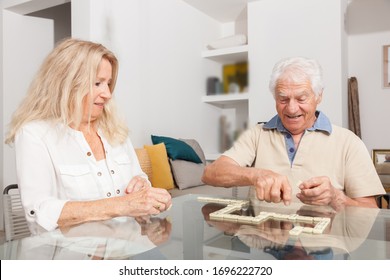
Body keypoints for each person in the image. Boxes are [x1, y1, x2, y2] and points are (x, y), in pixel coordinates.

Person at [5, 38, 172, 233]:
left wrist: (143, 185)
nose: (107, 94)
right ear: (66, 84)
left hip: (126, 250)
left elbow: (138, 175)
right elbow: (39, 210)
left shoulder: (115, 129)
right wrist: (123, 205)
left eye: (108, 83)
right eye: (97, 83)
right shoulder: (34, 134)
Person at [202, 56, 385, 210]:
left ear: (318, 96)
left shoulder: (349, 142)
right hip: (266, 244)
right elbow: (211, 174)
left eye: (301, 98)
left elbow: (372, 212)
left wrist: (336, 198)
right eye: (283, 98)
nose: (291, 108)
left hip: (325, 247)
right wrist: (257, 175)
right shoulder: (257, 134)